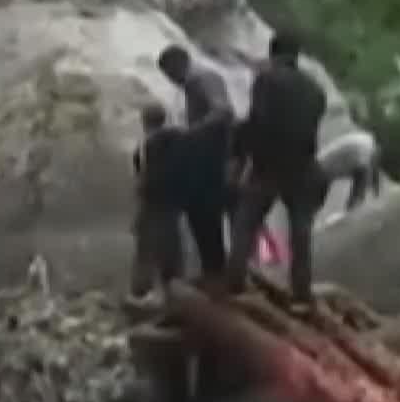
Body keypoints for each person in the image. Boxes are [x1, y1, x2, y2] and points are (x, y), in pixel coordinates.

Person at [228, 32, 327, 304]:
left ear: (273, 54)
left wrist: (239, 158)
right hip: (303, 166)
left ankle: (235, 283)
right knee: (301, 234)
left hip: (269, 165)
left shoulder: (267, 80)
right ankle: (301, 291)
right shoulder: (315, 89)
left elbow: (257, 121)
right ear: (297, 55)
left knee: (245, 223)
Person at [156, 44, 235, 280]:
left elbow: (224, 112)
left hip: (214, 159)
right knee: (201, 214)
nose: (172, 81)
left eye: (170, 75)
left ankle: (216, 271)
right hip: (207, 158)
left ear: (177, 65)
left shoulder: (202, 79)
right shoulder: (196, 83)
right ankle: (213, 270)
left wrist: (189, 134)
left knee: (205, 214)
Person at [129, 102, 186, 299]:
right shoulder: (179, 141)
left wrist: (140, 200)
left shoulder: (144, 147)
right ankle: (175, 292)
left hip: (151, 205)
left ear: (144, 121)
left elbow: (142, 178)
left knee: (145, 251)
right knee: (172, 250)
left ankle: (140, 293)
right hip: (172, 205)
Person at [318, 129, 381, 212]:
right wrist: (353, 206)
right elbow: (361, 180)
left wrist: (376, 191)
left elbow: (374, 169)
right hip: (320, 171)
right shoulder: (365, 152)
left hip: (321, 164)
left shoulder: (366, 141)